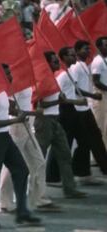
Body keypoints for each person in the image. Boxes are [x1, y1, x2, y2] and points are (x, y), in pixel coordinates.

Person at [0, 64, 41, 229]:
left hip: (5, 137)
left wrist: (26, 113)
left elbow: (10, 110)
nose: (10, 76)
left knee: (21, 169)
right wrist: (15, 120)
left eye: (9, 73)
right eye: (6, 74)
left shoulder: (4, 93)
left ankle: (22, 212)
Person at [34, 51, 87, 198]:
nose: (58, 63)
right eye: (55, 61)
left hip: (55, 120)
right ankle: (37, 192)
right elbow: (41, 103)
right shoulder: (44, 79)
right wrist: (59, 101)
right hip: (44, 121)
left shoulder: (53, 78)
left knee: (64, 154)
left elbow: (59, 99)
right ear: (48, 63)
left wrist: (61, 99)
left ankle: (69, 189)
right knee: (39, 158)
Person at [0, 86, 58, 212]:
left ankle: (39, 198)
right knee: (10, 165)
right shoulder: (17, 84)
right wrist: (32, 113)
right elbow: (10, 109)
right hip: (17, 127)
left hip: (26, 125)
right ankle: (5, 202)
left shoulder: (28, 82)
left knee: (39, 162)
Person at [70, 40, 107, 183]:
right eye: (85, 49)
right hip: (78, 109)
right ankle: (80, 172)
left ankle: (92, 170)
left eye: (88, 49)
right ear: (77, 51)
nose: (88, 51)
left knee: (92, 138)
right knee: (86, 140)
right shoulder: (76, 68)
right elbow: (74, 88)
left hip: (85, 108)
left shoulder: (84, 66)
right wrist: (92, 96)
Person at [91, 37, 107, 147]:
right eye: (106, 45)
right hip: (103, 95)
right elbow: (96, 81)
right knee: (104, 125)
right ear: (99, 47)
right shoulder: (98, 61)